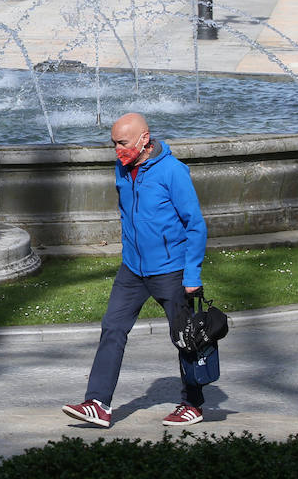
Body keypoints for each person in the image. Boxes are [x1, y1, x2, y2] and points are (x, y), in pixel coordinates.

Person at [62, 112, 210, 429]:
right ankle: (98, 404)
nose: (117, 150)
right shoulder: (121, 168)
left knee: (185, 337)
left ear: (145, 138)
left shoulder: (172, 172)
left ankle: (193, 404)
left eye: (123, 143)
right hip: (132, 270)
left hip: (171, 270)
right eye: (113, 143)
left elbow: (196, 225)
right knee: (112, 328)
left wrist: (192, 276)